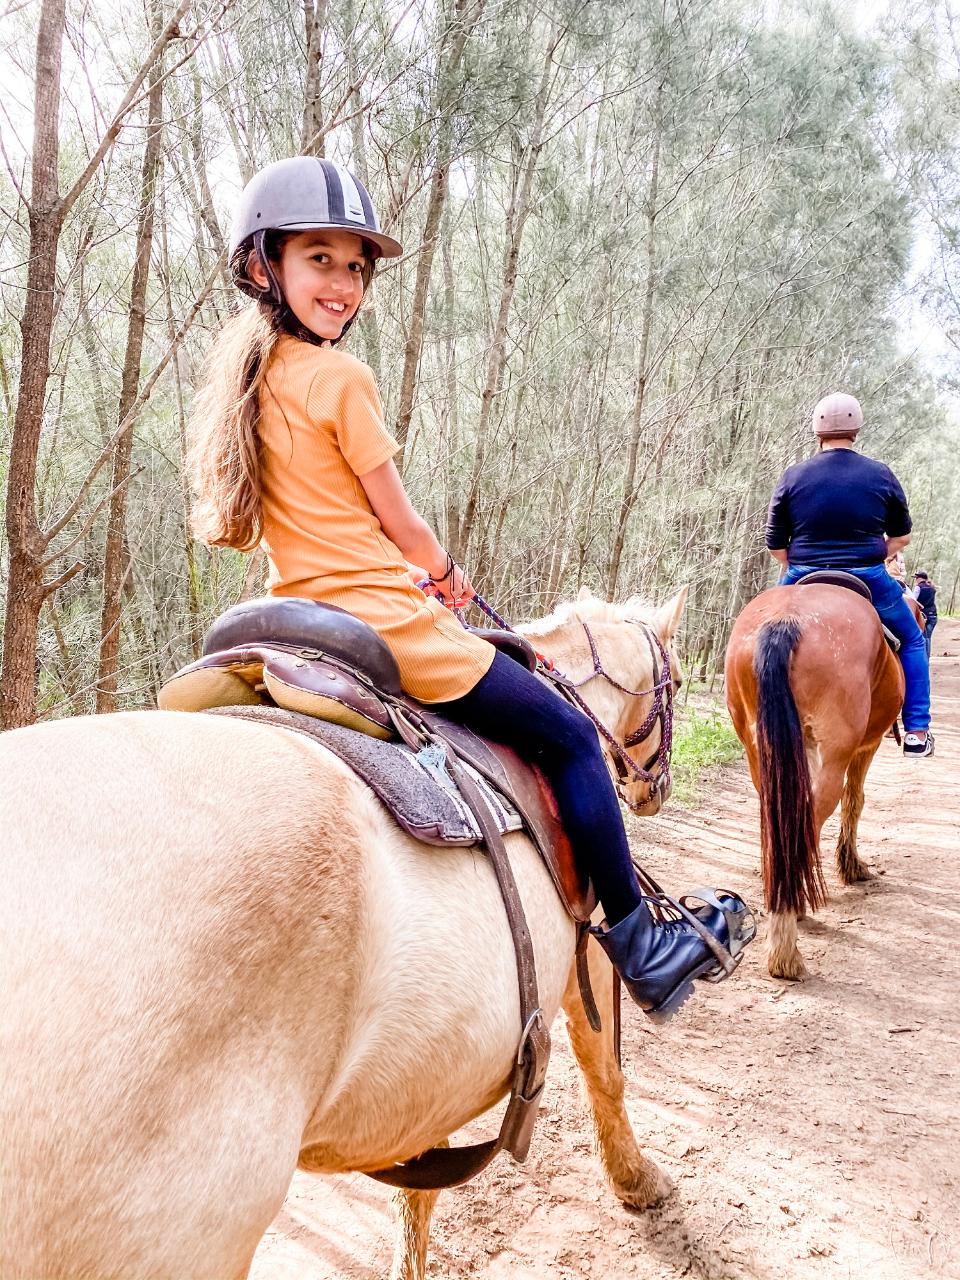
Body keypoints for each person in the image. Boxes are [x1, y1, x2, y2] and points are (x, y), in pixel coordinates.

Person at [187, 155, 754, 1023]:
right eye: (319, 259)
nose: (341, 283)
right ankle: (644, 946)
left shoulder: (253, 382)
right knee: (567, 733)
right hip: (386, 620)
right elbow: (399, 522)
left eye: (354, 266)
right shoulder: (342, 377)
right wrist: (446, 573)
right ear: (267, 264)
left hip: (297, 620)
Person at [765, 391, 933, 758]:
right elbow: (901, 535)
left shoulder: (793, 476)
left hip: (802, 573)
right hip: (867, 576)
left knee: (760, 632)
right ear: (856, 428)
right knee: (913, 639)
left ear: (817, 431)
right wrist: (875, 553)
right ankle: (917, 729)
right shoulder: (880, 474)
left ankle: (749, 717)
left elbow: (775, 544)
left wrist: (801, 562)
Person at [914, 570, 938, 658]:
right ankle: (926, 658)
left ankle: (925, 658)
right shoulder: (932, 587)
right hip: (933, 615)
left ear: (920, 578)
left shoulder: (918, 587)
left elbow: (913, 600)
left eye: (916, 578)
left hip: (924, 616)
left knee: (925, 638)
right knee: (928, 638)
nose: (916, 579)